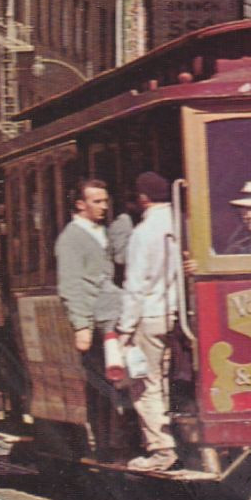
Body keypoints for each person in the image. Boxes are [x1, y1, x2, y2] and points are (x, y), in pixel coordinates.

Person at [115, 171, 181, 472]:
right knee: (167, 381)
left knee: (146, 384)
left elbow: (136, 285)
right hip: (177, 314)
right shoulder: (181, 224)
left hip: (150, 316)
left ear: (143, 198)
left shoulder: (143, 232)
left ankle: (160, 448)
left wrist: (126, 329)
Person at [55, 179, 123, 365]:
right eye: (97, 202)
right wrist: (81, 326)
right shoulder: (71, 238)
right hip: (93, 323)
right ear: (80, 205)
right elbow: (70, 285)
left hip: (110, 316)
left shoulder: (103, 232)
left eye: (105, 201)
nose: (104, 207)